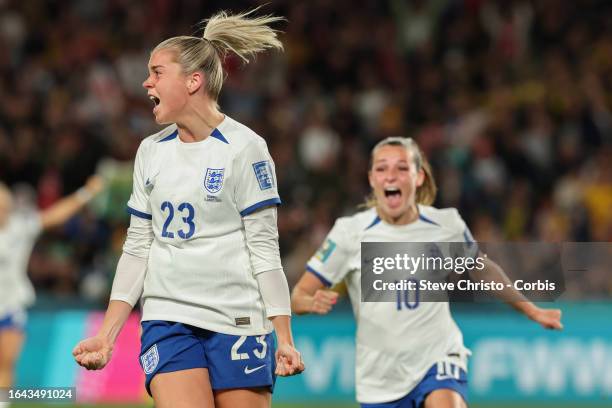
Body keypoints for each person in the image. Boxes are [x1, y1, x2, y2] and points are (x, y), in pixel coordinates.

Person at [72, 8, 304, 408]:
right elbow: (137, 247)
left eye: (157, 72)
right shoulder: (150, 152)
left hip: (238, 319)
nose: (146, 82)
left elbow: (265, 250)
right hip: (168, 317)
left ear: (193, 81)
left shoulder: (247, 149)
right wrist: (107, 335)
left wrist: (283, 335)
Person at [291, 137, 563, 408]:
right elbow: (298, 295)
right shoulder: (348, 233)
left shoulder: (446, 225)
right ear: (372, 179)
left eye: (401, 168)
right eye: (382, 168)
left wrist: (531, 310)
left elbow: (483, 271)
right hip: (380, 377)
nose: (391, 176)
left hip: (439, 355)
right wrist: (310, 302)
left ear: (418, 176)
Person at [0, 176, 104, 403]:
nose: (3, 211)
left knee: (6, 360)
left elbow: (55, 215)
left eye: (5, 206)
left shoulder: (19, 227)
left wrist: (85, 193)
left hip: (10, 306)